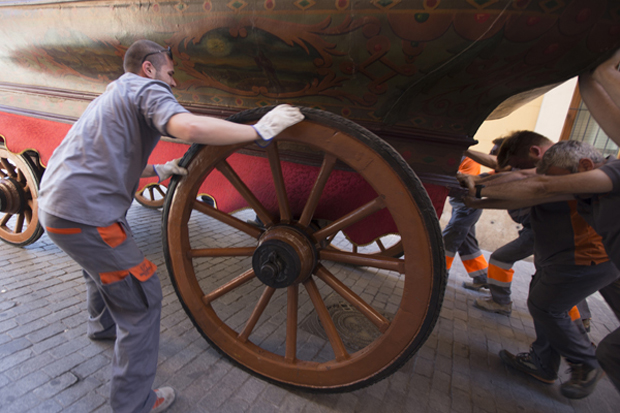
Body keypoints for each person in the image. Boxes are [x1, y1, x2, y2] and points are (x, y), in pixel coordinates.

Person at [37, 39, 304, 413]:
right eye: (171, 73)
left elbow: (110, 157)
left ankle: (102, 326)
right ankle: (134, 404)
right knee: (143, 301)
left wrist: (158, 170)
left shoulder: (112, 95)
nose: (173, 83)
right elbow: (186, 126)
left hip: (56, 209)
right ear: (149, 68)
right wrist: (257, 132)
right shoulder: (146, 87)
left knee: (98, 267)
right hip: (88, 217)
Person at [465, 140, 620, 399]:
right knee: (546, 304)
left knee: (546, 307)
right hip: (562, 257)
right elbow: (530, 180)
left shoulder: (586, 177)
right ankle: (544, 363)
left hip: (583, 258)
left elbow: (539, 187)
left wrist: (477, 192)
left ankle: (585, 361)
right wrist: (475, 197)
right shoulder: (562, 170)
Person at [442, 156, 489, 289]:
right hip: (461, 206)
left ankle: (438, 273)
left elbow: (467, 183)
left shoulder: (469, 160)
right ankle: (482, 276)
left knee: (449, 239)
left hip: (467, 207)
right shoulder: (457, 157)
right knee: (466, 243)